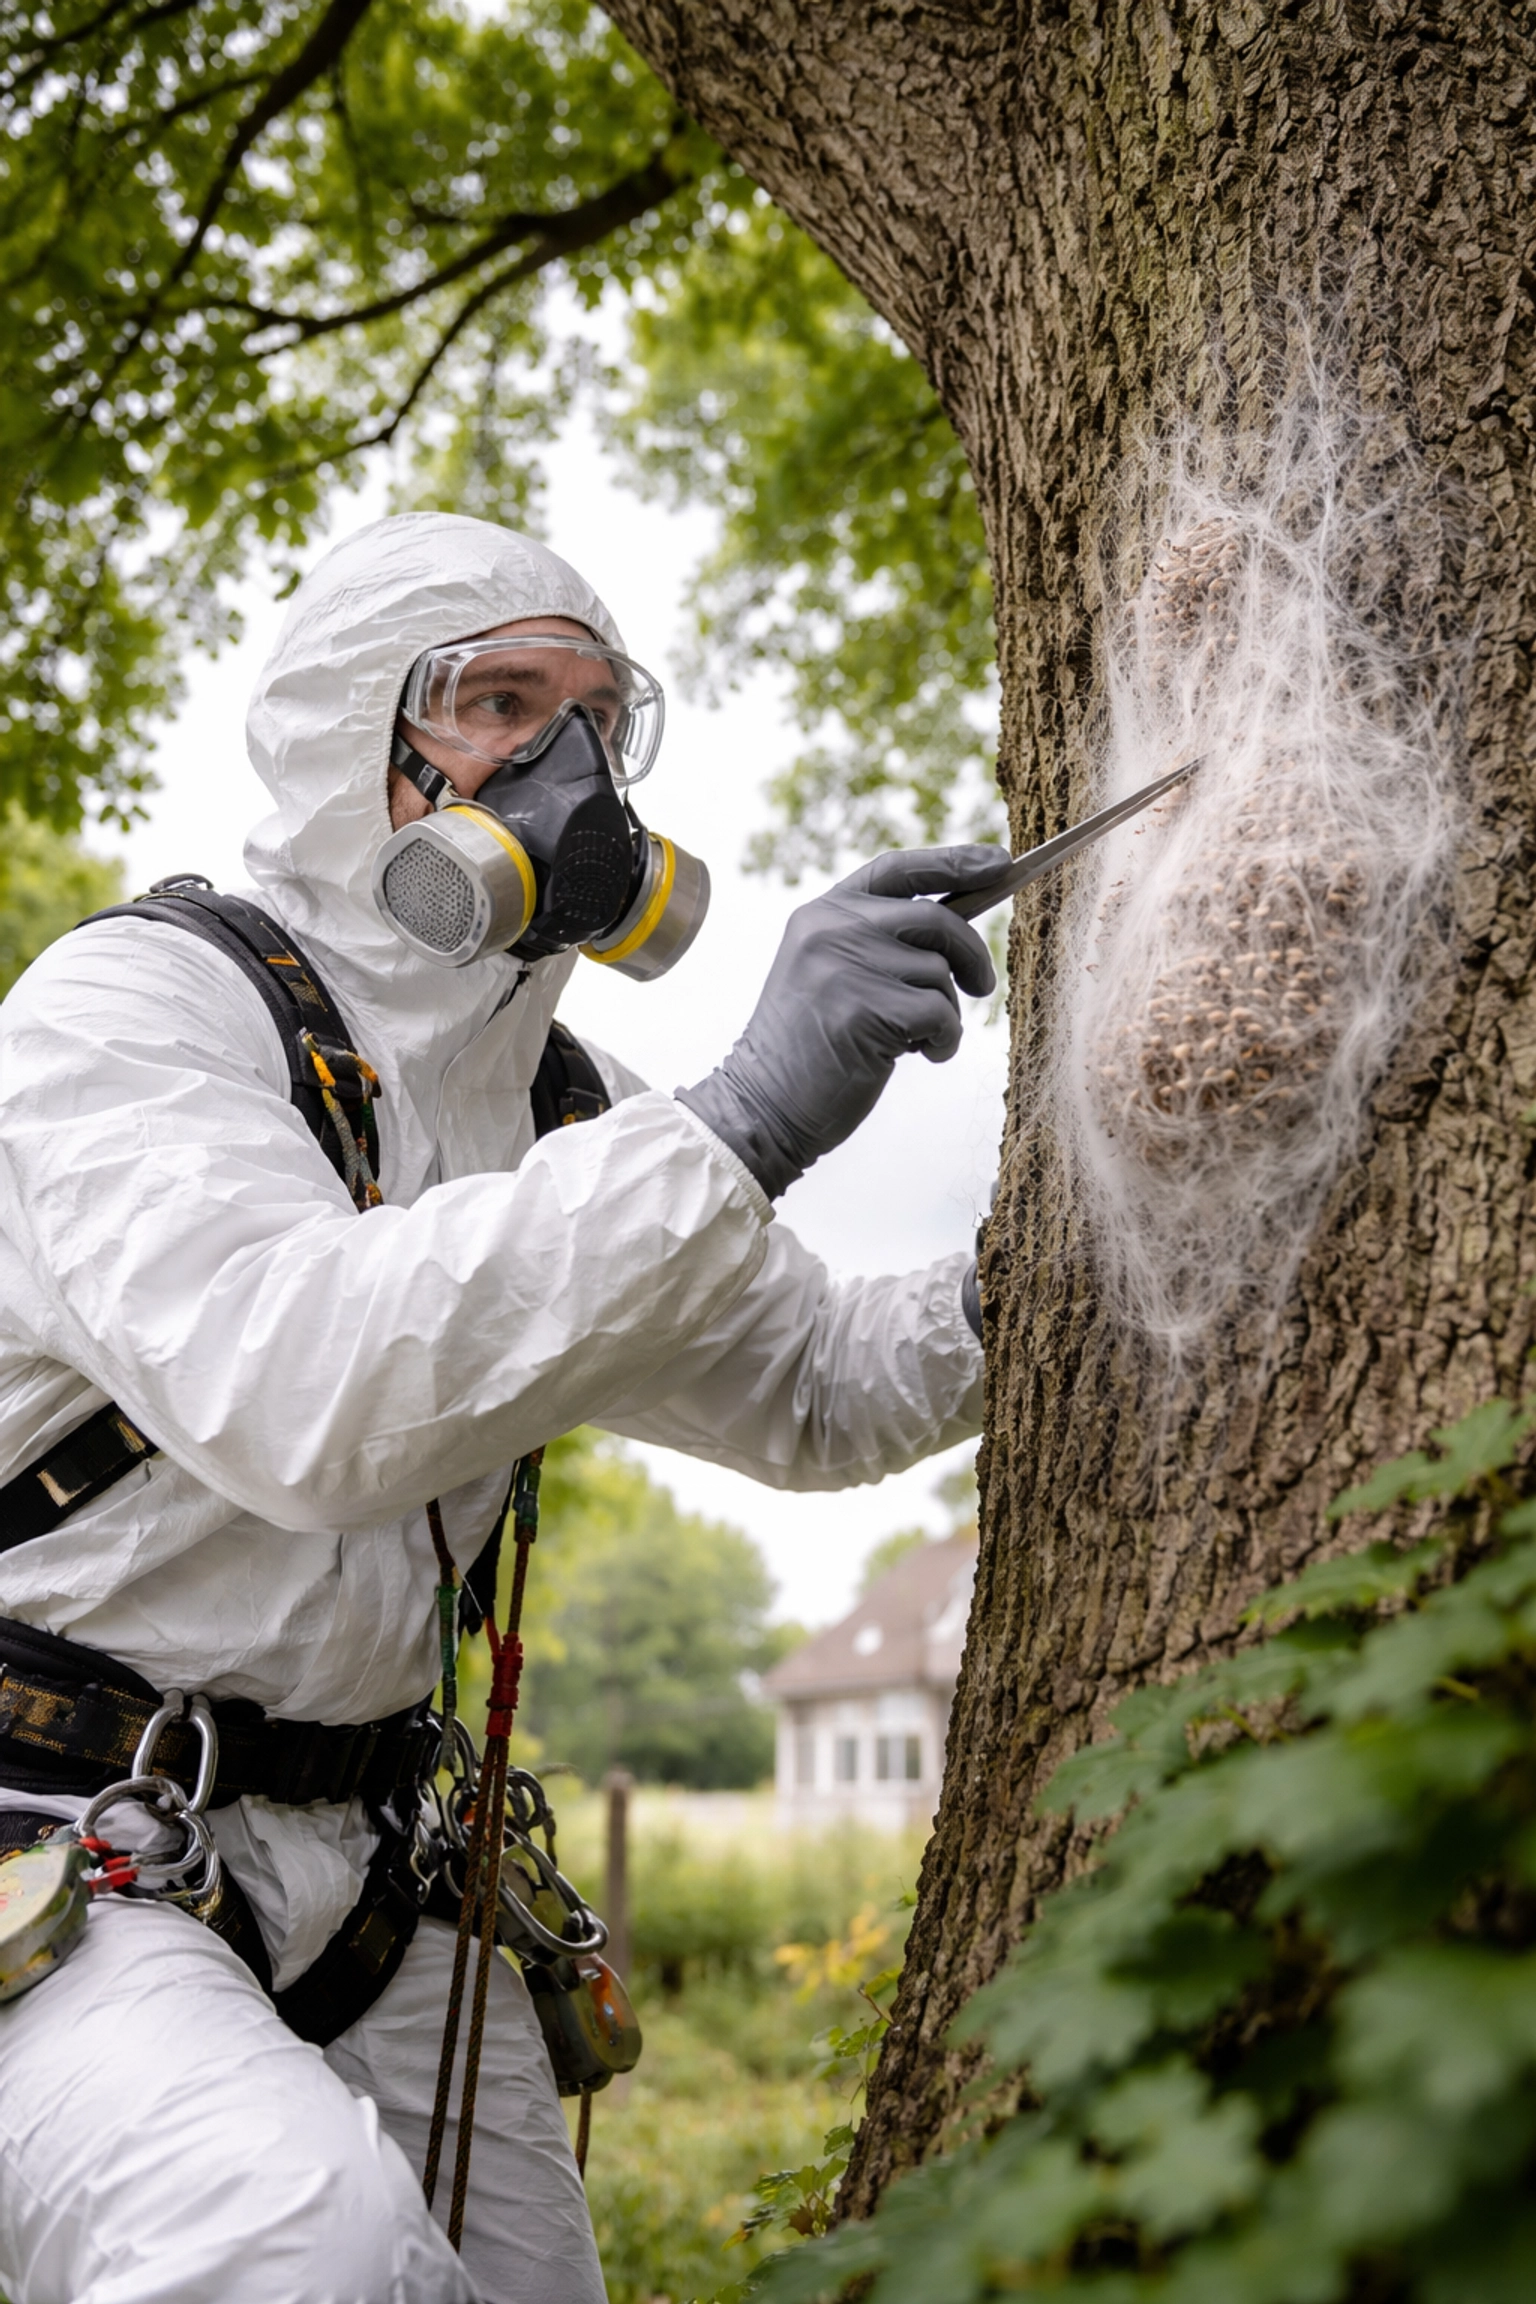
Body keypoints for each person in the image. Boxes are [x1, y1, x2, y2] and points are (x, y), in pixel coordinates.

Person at [0, 513, 1004, 2304]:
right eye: (500, 703)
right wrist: (748, 1115)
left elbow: (823, 1389)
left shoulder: (558, 1107)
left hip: (375, 1863)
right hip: (55, 1834)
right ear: (351, 744)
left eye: (602, 716)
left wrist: (1047, 1260)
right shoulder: (135, 1013)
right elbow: (299, 1388)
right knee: (288, 2250)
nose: (571, 767)